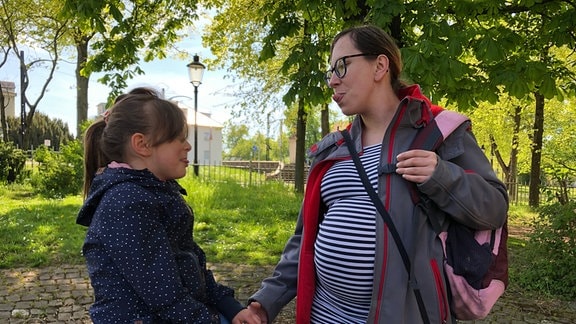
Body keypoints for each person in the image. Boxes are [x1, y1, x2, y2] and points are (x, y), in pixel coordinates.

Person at [246, 25, 509, 323]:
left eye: (342, 66)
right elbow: (304, 239)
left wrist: (441, 175)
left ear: (380, 66)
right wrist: (264, 303)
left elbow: (495, 208)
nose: (332, 80)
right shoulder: (332, 149)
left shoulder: (440, 132)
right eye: (329, 72)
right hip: (323, 315)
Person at [77, 87, 261, 324]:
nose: (187, 146)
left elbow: (191, 264)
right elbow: (166, 297)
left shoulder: (155, 193)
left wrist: (232, 308)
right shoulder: (126, 204)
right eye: (178, 138)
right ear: (142, 144)